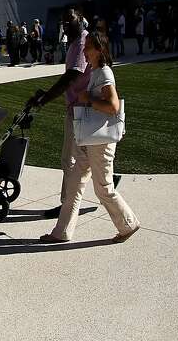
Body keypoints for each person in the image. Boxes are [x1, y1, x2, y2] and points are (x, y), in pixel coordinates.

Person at [40, 31, 138, 243]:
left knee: (103, 188)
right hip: (89, 139)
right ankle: (62, 232)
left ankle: (128, 224)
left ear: (99, 50)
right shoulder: (95, 71)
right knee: (75, 184)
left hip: (100, 142)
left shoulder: (104, 73)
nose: (84, 50)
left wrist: (88, 99)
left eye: (88, 47)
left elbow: (113, 106)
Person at [28, 8, 91, 220]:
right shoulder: (75, 42)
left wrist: (45, 98)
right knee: (86, 157)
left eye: (70, 20)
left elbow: (72, 76)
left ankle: (67, 204)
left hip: (80, 110)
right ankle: (106, 180)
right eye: (63, 22)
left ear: (80, 20)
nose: (65, 24)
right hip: (79, 108)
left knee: (70, 159)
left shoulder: (82, 42)